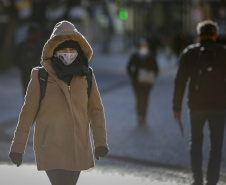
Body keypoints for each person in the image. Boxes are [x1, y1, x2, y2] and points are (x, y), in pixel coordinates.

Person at [9, 20, 109, 185]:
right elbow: (27, 114)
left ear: (78, 50)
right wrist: (17, 148)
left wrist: (100, 143)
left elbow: (96, 110)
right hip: (50, 147)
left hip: (78, 146)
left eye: (72, 49)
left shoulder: (86, 75)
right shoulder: (40, 76)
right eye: (63, 49)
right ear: (54, 49)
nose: (68, 53)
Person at [173, 20, 226, 185]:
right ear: (216, 35)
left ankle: (197, 179)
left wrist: (176, 107)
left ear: (199, 35)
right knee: (216, 146)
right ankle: (212, 181)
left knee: (195, 143)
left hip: (196, 106)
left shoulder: (190, 53)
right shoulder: (223, 53)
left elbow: (180, 81)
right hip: (219, 106)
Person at [127, 39, 159, 125]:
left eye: (144, 46)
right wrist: (133, 75)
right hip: (137, 82)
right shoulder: (135, 56)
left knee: (145, 99)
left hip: (147, 82)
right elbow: (129, 67)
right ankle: (140, 115)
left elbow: (156, 69)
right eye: (141, 46)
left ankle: (143, 116)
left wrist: (151, 76)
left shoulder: (151, 56)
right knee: (139, 98)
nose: (143, 48)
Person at [14, 23, 44, 95]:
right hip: (38, 70)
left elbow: (16, 57)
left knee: (27, 89)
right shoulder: (42, 44)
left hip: (26, 70)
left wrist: (21, 65)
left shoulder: (23, 44)